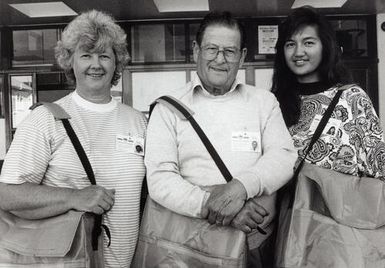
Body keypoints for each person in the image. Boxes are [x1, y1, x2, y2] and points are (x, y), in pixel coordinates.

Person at [145, 11, 297, 267]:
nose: (219, 59)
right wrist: (224, 208)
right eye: (211, 49)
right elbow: (160, 179)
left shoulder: (264, 102)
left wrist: (240, 188)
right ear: (196, 50)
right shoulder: (168, 108)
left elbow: (283, 157)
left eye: (229, 51)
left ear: (243, 56)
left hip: (254, 243)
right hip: (189, 243)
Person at [0, 10, 146, 267]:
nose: (96, 65)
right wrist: (73, 197)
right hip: (67, 261)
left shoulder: (138, 121)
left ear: (117, 63)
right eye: (86, 55)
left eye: (104, 55)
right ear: (70, 62)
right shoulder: (44, 119)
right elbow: (7, 195)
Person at [272, 5, 385, 265]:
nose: (298, 52)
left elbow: (379, 164)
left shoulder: (352, 98)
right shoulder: (274, 103)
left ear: (326, 47)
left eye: (308, 42)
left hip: (343, 224)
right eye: (290, 44)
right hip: (288, 221)